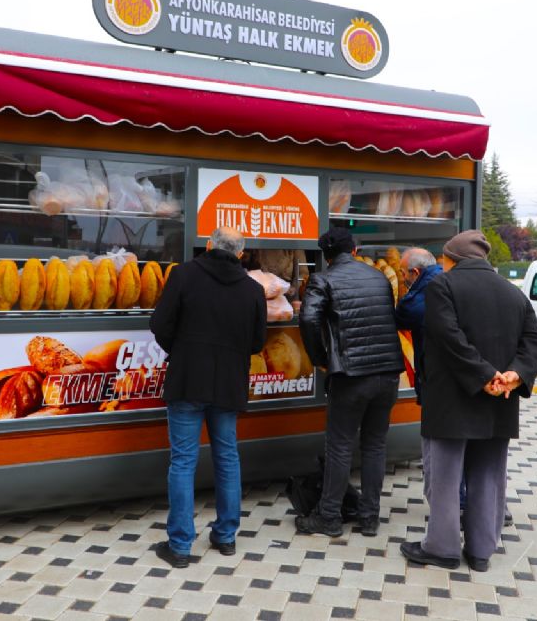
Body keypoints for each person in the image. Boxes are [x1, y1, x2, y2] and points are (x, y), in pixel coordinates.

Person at [400, 230, 537, 572]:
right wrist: (513, 375)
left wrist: (484, 377)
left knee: (446, 477)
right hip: (501, 401)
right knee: (489, 474)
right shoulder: (513, 293)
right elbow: (534, 342)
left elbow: (449, 338)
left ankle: (443, 548)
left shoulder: (442, 287)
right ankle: (481, 550)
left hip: (452, 400)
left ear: (452, 259)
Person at [149, 226, 268, 568]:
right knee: (227, 457)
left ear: (208, 245)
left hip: (187, 380)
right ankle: (226, 536)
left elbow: (161, 324)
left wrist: (183, 351)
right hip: (228, 383)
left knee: (183, 461)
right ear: (241, 254)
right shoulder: (252, 289)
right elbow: (257, 343)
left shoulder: (184, 275)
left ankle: (181, 545)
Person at [297, 227, 404, 538]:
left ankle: (328, 517)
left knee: (340, 446)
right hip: (387, 372)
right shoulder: (378, 277)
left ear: (327, 257)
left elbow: (307, 319)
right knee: (374, 445)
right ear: (354, 250)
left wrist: (321, 359)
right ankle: (369, 517)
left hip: (352, 375)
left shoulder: (323, 279)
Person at [394, 248, 443, 404]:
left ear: (415, 272)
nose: (402, 278)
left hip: (433, 375)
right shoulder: (447, 277)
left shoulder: (421, 296)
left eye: (403, 273)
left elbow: (403, 316)